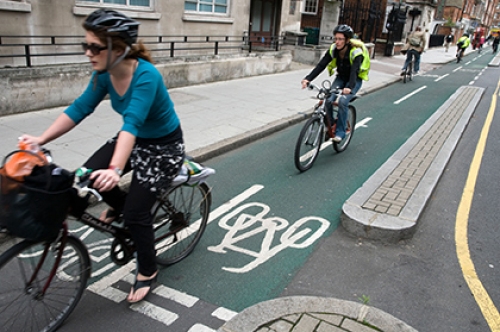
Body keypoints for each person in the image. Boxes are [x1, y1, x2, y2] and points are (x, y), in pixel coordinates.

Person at [20, 9, 185, 303]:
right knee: (85, 179)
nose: (88, 53)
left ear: (118, 48)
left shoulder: (146, 76)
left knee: (136, 213)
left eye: (95, 47)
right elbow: (80, 108)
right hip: (132, 140)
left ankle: (148, 270)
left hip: (163, 146)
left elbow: (131, 123)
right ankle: (120, 206)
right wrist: (40, 139)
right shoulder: (103, 75)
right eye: (85, 45)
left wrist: (115, 169)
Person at [300, 24, 369, 143]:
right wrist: (308, 79)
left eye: (340, 39)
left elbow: (354, 71)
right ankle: (330, 125)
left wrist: (349, 88)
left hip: (354, 80)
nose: (337, 42)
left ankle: (340, 132)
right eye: (336, 38)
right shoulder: (333, 49)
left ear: (347, 40)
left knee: (342, 101)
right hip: (341, 77)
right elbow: (322, 65)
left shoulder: (356, 52)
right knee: (328, 99)